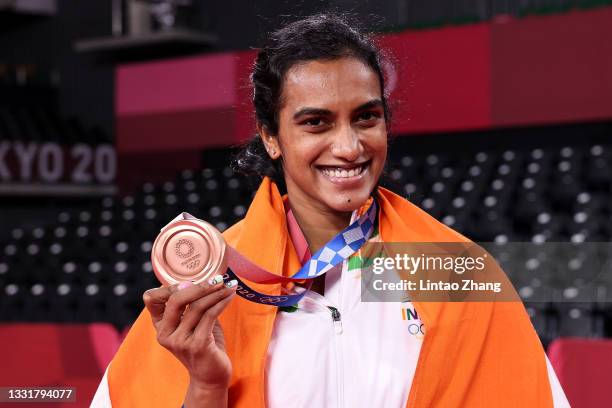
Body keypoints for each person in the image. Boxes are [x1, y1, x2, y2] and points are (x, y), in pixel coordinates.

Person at [92, 14, 569, 407]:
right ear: (271, 137)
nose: (349, 146)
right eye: (316, 122)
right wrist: (207, 387)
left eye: (366, 116)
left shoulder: (455, 272)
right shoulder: (215, 285)